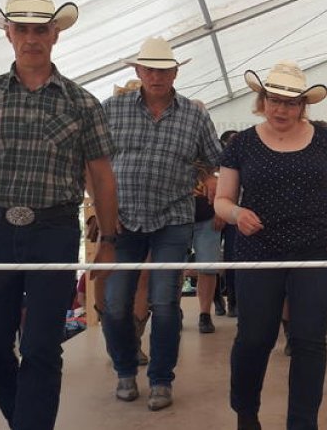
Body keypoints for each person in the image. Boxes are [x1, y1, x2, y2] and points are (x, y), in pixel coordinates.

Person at [0, 0, 119, 429]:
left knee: (41, 345)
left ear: (55, 34)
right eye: (22, 28)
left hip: (55, 230)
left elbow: (101, 176)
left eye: (41, 29)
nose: (32, 37)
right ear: (9, 33)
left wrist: (110, 242)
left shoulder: (82, 102)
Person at [213, 62, 327, 430]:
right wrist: (236, 214)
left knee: (309, 338)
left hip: (316, 247)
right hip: (258, 248)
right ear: (262, 101)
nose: (281, 109)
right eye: (274, 101)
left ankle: (303, 422)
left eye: (290, 103)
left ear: (303, 106)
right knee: (254, 337)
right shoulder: (240, 143)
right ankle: (246, 414)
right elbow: (222, 200)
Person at [101, 37, 222, 411]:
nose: (156, 75)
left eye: (163, 69)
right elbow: (92, 162)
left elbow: (217, 158)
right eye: (149, 69)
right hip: (122, 220)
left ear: (175, 72)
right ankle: (124, 369)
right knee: (116, 303)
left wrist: (215, 184)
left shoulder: (195, 114)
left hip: (174, 218)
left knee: (166, 303)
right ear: (137, 71)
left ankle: (161, 380)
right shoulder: (111, 109)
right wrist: (97, 213)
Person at [192, 161, 226, 334]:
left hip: (207, 216)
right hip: (175, 218)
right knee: (173, 267)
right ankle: (173, 310)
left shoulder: (211, 152)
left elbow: (226, 180)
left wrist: (220, 210)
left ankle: (205, 314)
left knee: (208, 266)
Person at [218, 130, 240, 318]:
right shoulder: (217, 164)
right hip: (217, 218)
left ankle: (236, 301)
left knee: (237, 260)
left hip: (241, 217)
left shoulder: (247, 159)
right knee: (226, 260)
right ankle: (223, 298)